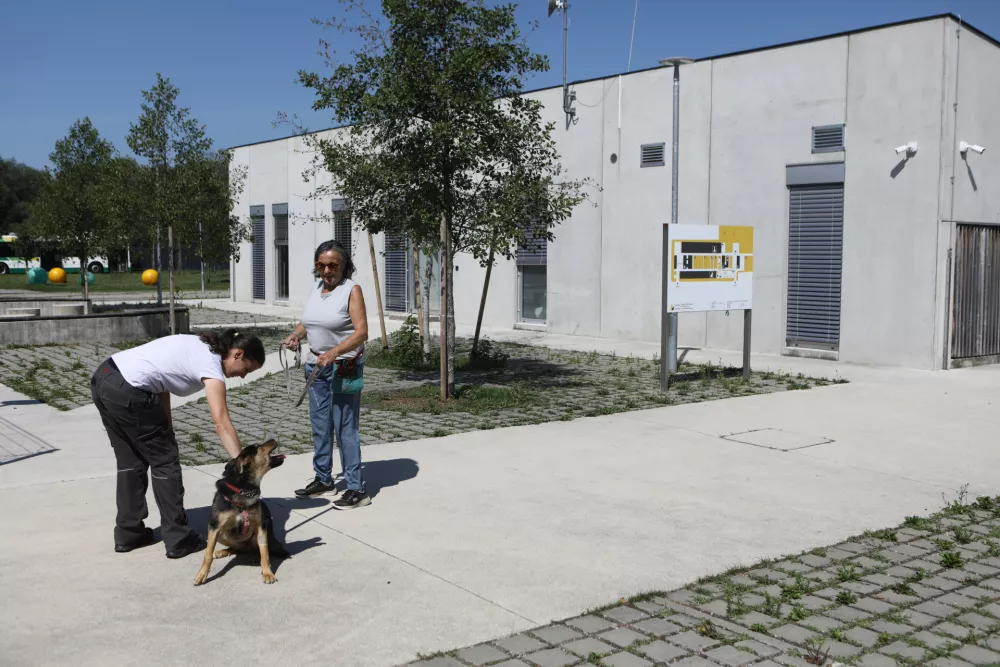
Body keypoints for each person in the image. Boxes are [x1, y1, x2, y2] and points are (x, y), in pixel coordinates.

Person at [90, 329, 266, 558]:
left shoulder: (198, 346)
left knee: (130, 462)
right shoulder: (211, 365)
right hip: (129, 389)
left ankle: (128, 533)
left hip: (105, 378)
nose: (243, 376)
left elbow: (162, 384)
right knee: (165, 463)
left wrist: (166, 429)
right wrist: (241, 463)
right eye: (247, 369)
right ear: (238, 354)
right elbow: (221, 422)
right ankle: (178, 538)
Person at [284, 239, 370, 509]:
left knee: (345, 427)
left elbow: (362, 332)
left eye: (333, 265)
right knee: (320, 427)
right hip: (316, 367)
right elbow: (309, 321)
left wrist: (334, 352)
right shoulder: (316, 288)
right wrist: (297, 335)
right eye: (321, 265)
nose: (327, 270)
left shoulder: (351, 291)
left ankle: (356, 488)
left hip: (344, 367)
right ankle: (324, 479)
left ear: (344, 265)